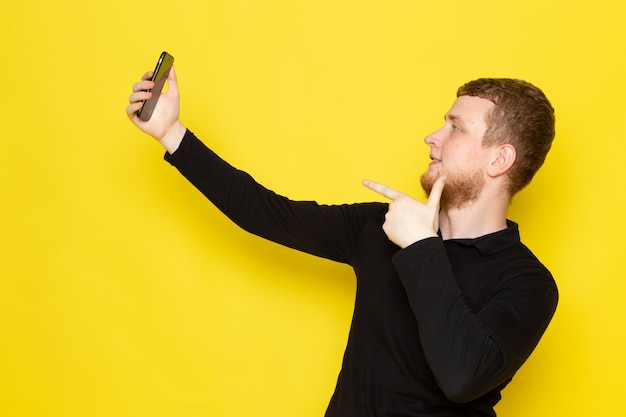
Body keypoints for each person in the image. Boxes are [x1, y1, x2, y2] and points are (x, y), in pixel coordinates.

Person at [126, 66, 558, 417]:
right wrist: (171, 133)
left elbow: (463, 377)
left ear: (499, 159)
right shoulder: (380, 226)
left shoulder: (528, 283)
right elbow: (265, 213)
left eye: (455, 128)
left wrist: (422, 247)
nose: (432, 137)